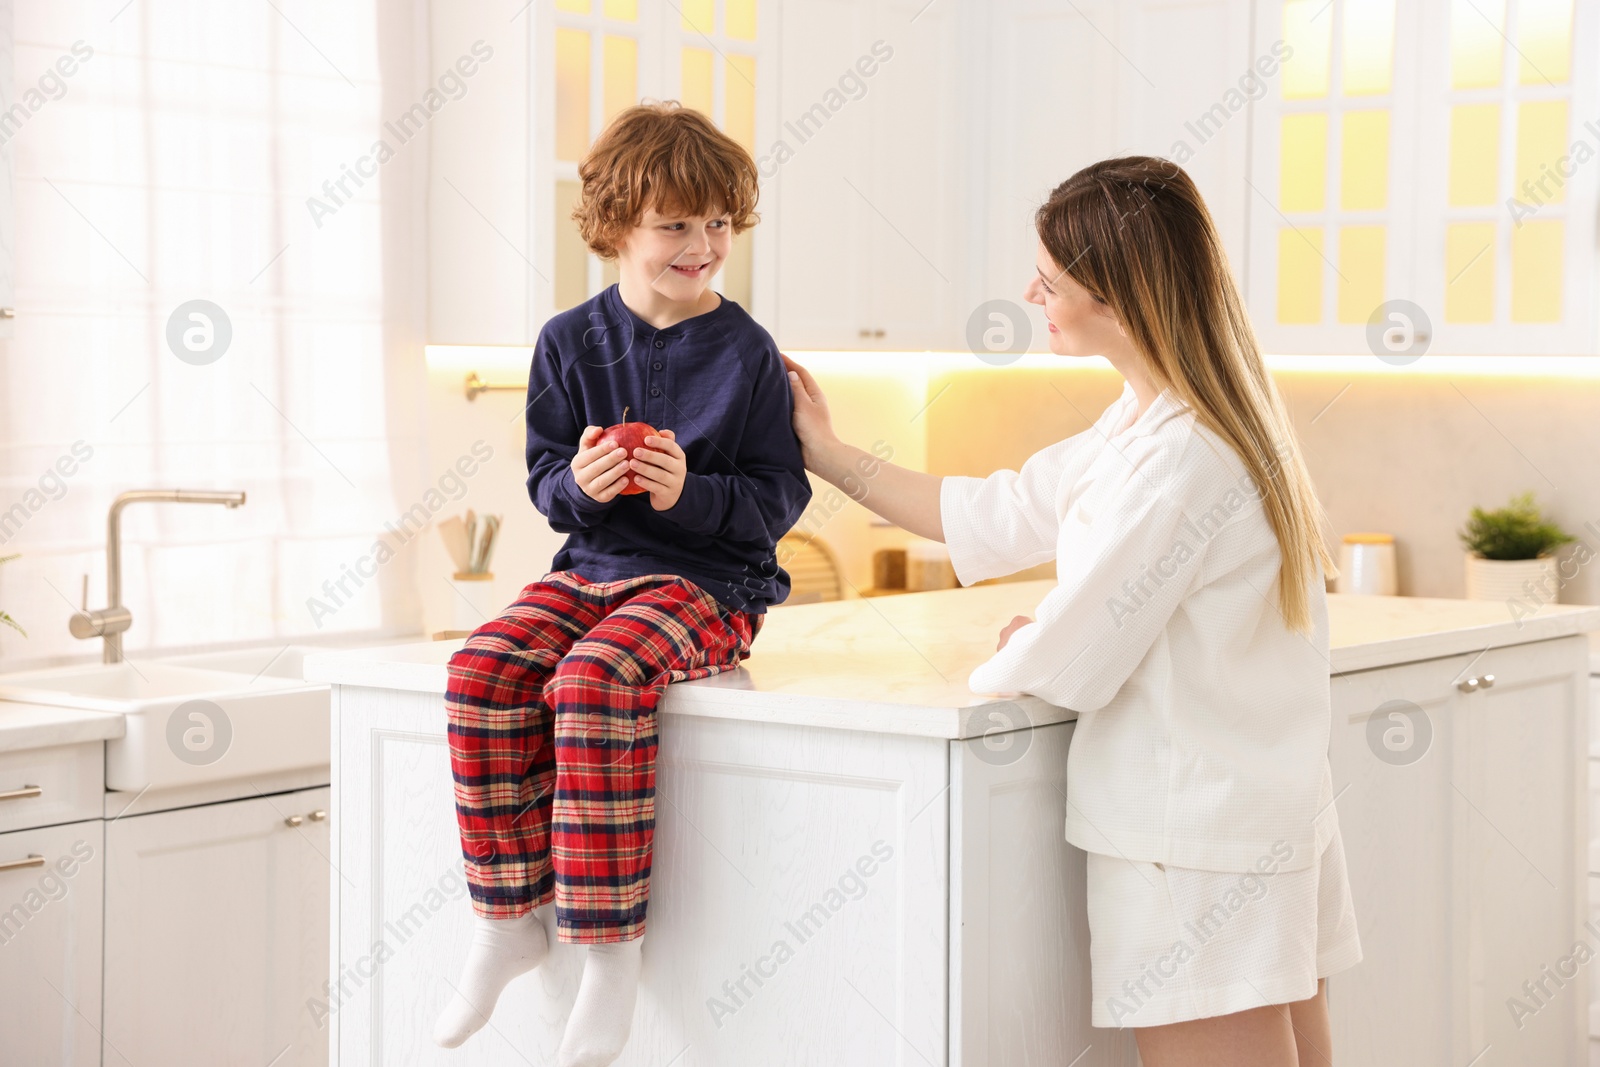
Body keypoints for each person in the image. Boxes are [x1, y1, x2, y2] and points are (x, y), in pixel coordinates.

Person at [782, 156, 1361, 1066]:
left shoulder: (1177, 457)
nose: (1030, 292)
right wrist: (827, 451)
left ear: (1118, 296)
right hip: (1252, 817)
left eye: (1049, 280)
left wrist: (1024, 644)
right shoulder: (1163, 420)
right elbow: (994, 510)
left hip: (1192, 843)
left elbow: (1074, 653)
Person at [434, 102, 811, 1066]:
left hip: (714, 586)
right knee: (480, 668)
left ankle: (610, 951)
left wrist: (692, 496)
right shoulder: (566, 342)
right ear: (616, 226)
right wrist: (581, 486)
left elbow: (778, 496)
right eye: (677, 224)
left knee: (595, 680)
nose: (704, 244)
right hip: (594, 569)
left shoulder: (748, 352)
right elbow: (545, 484)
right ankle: (509, 915)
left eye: (719, 222)